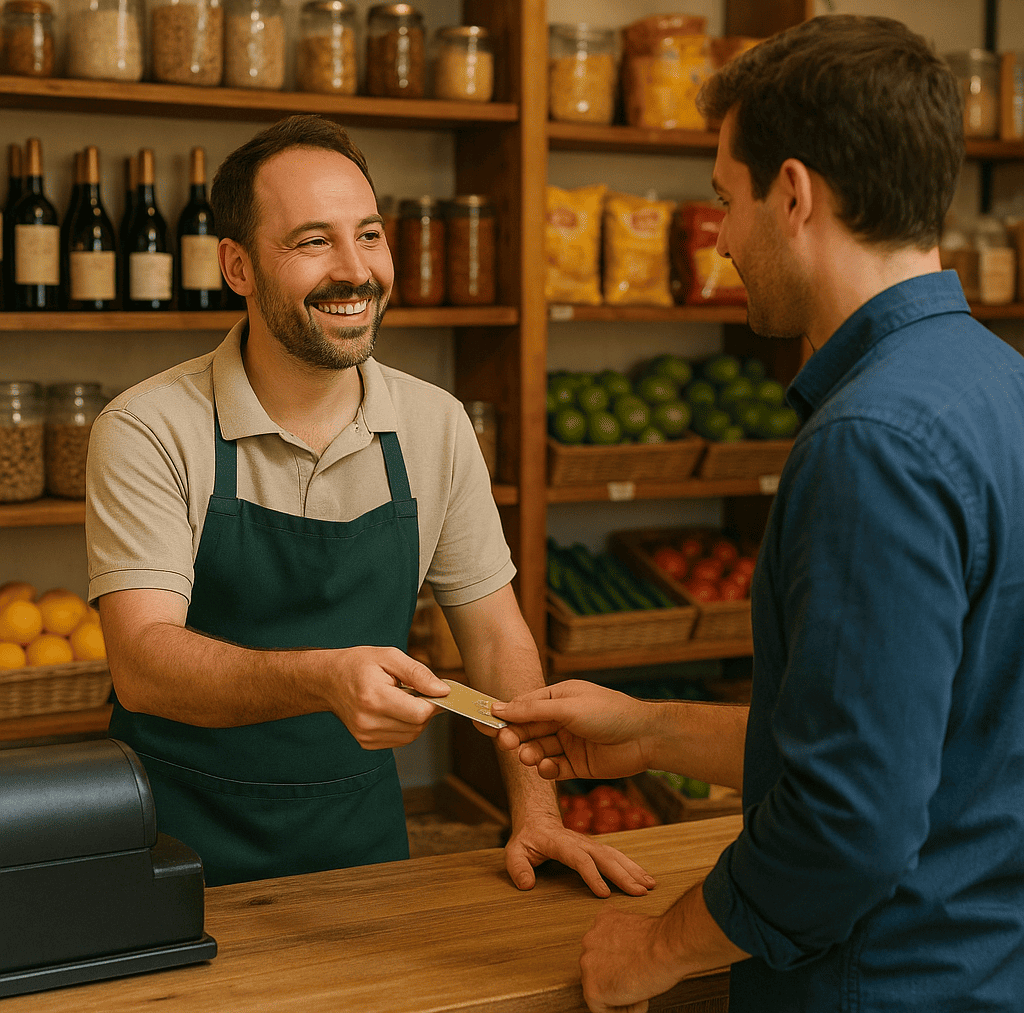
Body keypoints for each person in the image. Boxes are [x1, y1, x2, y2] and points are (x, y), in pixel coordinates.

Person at [491, 13, 1024, 1013]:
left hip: (882, 983)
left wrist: (653, 950)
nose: (723, 241)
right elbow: (916, 735)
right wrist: (650, 729)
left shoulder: (869, 440)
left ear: (792, 195)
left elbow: (846, 819)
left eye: (723, 200)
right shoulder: (1001, 384)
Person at [85, 114, 655, 898]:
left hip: (362, 850)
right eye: (313, 241)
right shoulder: (148, 427)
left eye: (370, 235)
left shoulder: (436, 424)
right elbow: (143, 663)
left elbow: (496, 639)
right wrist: (323, 678)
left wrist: (539, 813)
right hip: (174, 847)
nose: (356, 272)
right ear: (238, 266)